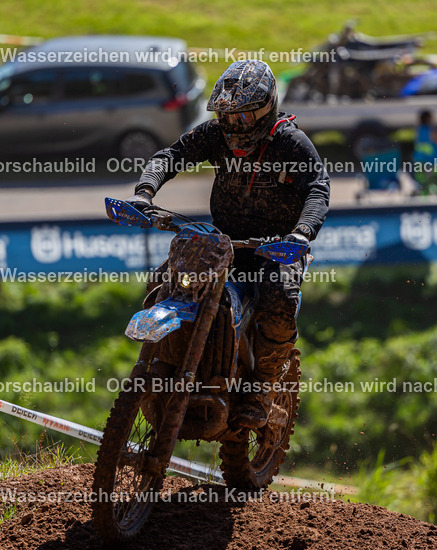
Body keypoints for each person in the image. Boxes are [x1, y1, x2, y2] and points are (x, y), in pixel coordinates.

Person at [127, 60, 330, 428]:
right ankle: (169, 359)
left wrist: (301, 234)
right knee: (165, 278)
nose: (234, 127)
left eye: (242, 118)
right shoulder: (216, 135)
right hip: (226, 244)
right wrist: (145, 193)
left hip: (277, 248)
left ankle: (262, 387)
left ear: (266, 108)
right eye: (226, 117)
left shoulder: (290, 143)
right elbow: (171, 156)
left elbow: (317, 188)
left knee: (279, 296)